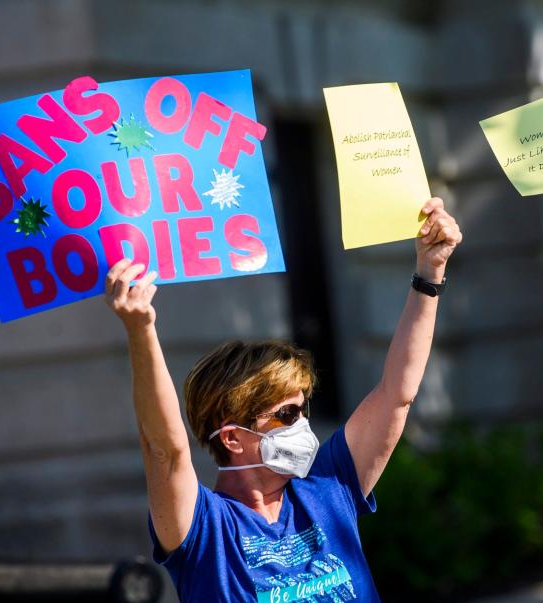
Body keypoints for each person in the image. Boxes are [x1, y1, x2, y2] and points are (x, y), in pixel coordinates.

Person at [105, 197, 460, 602]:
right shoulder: (205, 530)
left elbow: (397, 394)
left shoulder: (328, 488)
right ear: (232, 437)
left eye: (302, 409)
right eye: (286, 414)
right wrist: (141, 330)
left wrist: (430, 273)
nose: (301, 426)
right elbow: (166, 451)